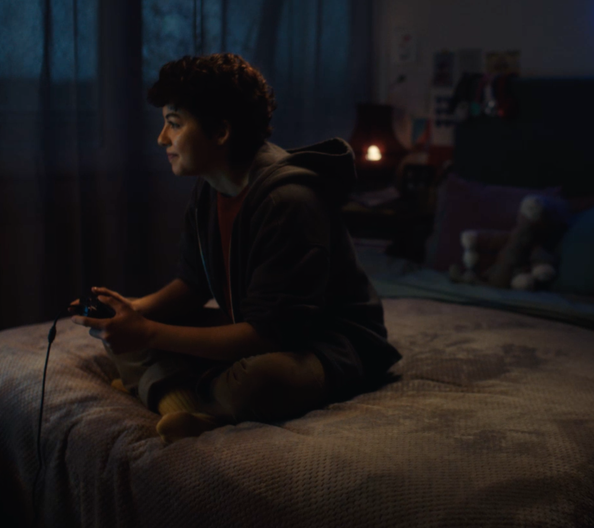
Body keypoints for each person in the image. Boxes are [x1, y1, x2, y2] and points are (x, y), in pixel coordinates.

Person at [70, 53, 401, 443]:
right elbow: (193, 285)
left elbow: (268, 336)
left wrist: (149, 334)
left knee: (260, 381)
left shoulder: (288, 201)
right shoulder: (209, 189)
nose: (162, 139)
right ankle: (185, 401)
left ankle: (170, 393)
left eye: (174, 124)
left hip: (326, 347)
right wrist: (133, 311)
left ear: (221, 132)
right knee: (120, 338)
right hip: (254, 329)